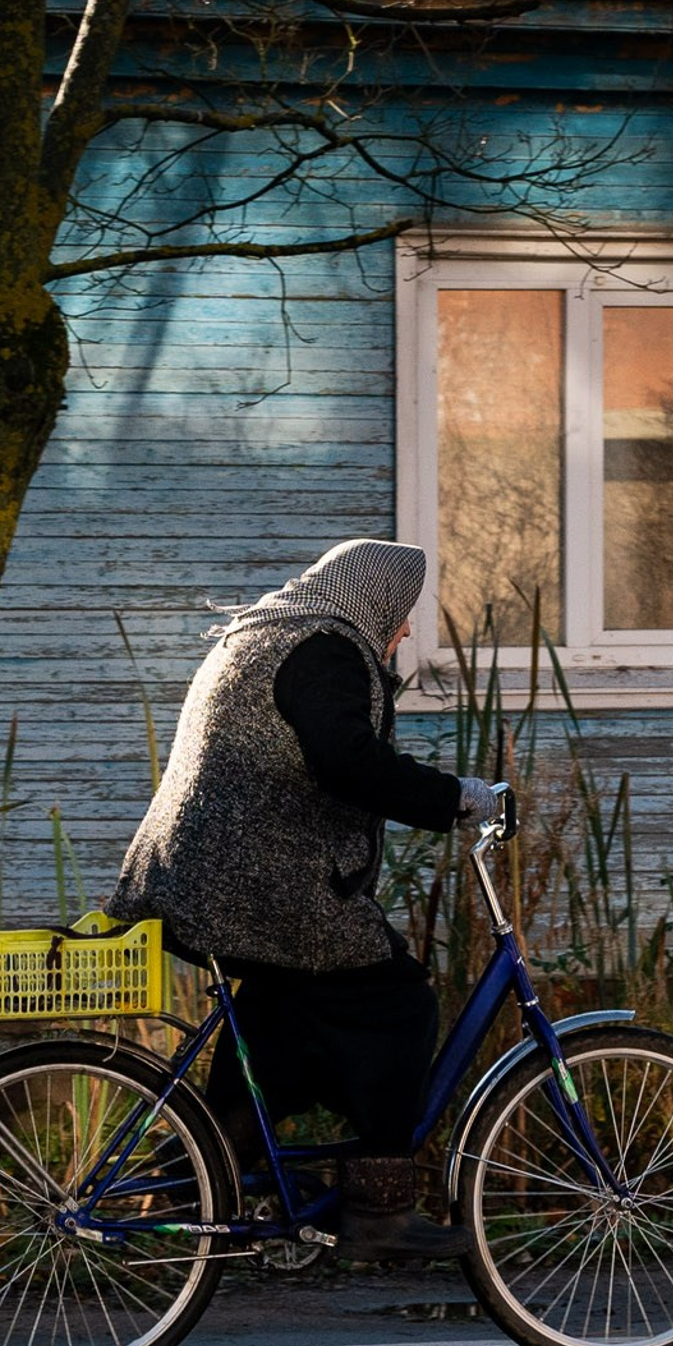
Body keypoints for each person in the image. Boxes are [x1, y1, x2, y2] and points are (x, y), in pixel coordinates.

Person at [107, 539, 499, 1261]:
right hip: (255, 883)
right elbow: (346, 760)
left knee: (287, 1023)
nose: (405, 629)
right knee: (394, 1002)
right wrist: (453, 798)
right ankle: (378, 1211)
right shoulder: (323, 648)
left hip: (198, 876)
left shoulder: (265, 632)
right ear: (372, 599)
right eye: (403, 613)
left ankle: (197, 1169)